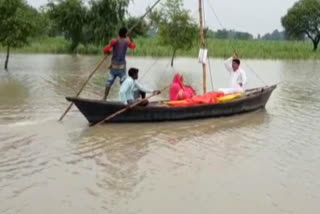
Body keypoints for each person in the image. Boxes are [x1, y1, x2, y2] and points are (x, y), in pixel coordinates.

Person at [102, 27, 136, 100]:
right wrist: (130, 37)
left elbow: (105, 50)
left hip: (114, 68)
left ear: (119, 33)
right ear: (125, 34)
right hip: (121, 68)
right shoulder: (127, 42)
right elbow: (133, 46)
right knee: (124, 85)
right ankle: (125, 99)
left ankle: (104, 98)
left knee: (108, 83)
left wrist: (109, 52)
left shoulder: (115, 41)